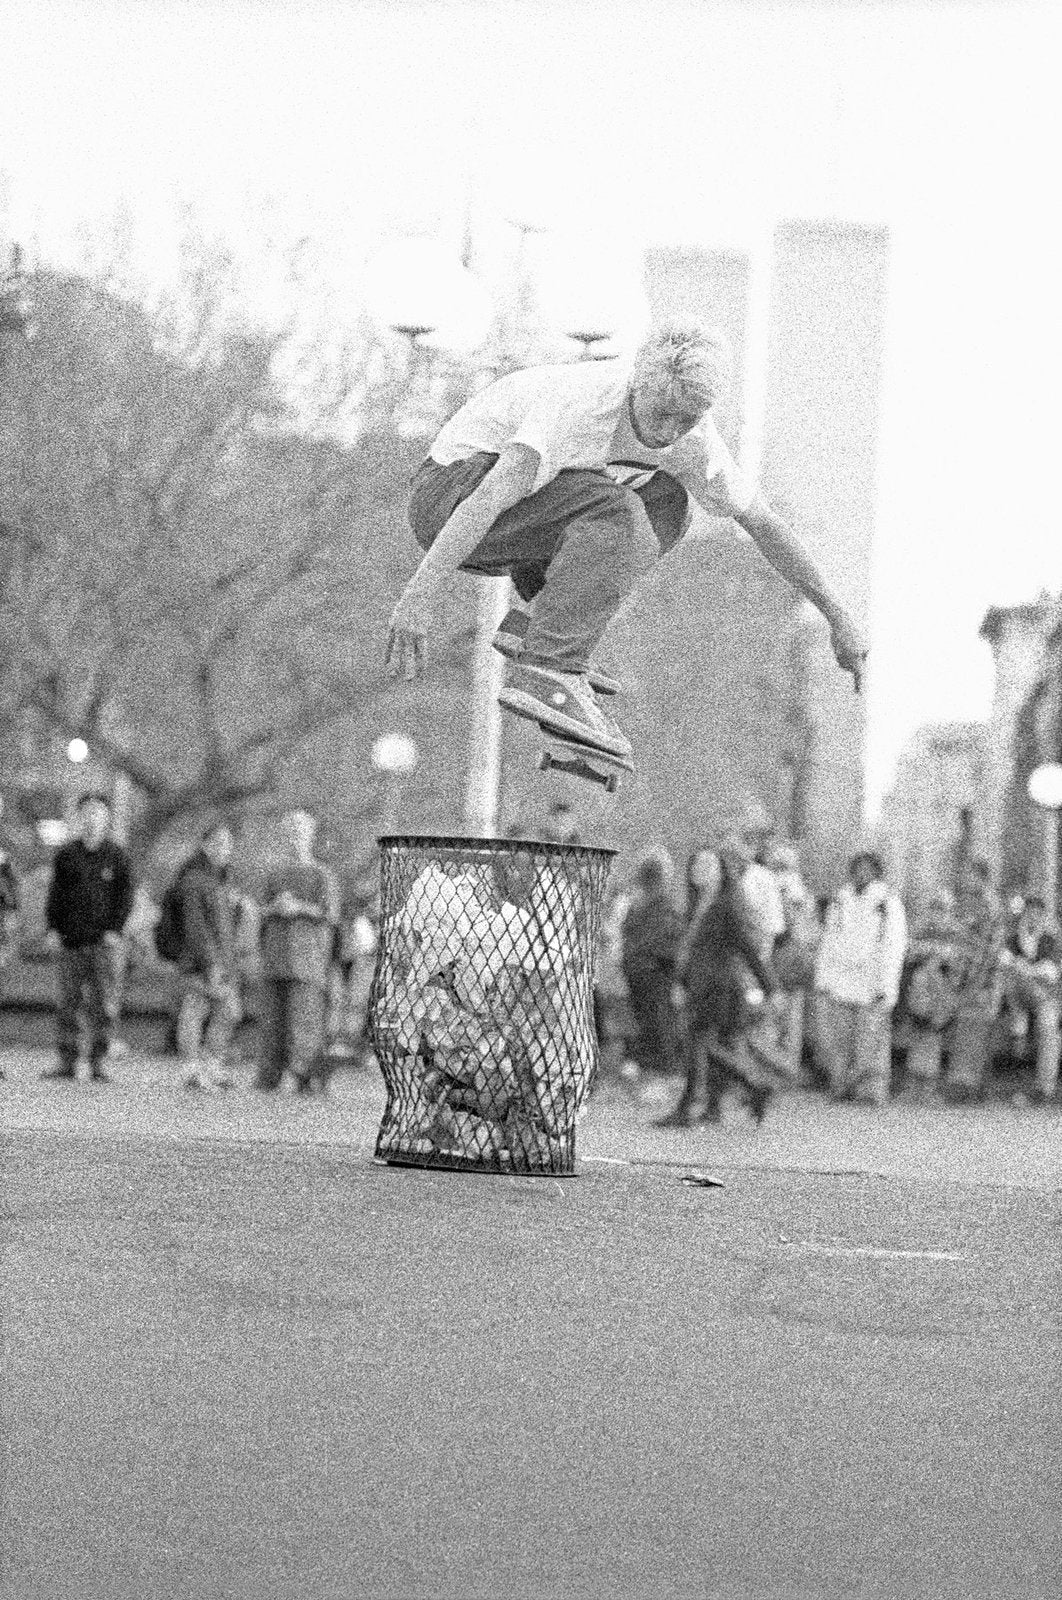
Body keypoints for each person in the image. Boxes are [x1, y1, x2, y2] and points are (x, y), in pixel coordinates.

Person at [385, 319, 867, 761]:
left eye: (686, 420)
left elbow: (764, 524)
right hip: (449, 495)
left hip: (519, 522)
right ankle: (551, 662)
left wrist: (837, 616)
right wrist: (419, 597)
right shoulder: (582, 405)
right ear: (637, 382)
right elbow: (487, 499)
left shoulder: (695, 443)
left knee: (668, 501)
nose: (667, 434)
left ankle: (538, 624)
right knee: (617, 509)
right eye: (660, 414)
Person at [656, 835, 782, 1128]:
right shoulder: (699, 905)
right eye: (696, 865)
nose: (700, 870)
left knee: (698, 1045)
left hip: (720, 986)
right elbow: (688, 952)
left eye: (708, 865)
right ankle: (733, 1097)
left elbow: (747, 947)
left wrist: (769, 986)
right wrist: (680, 981)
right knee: (708, 1047)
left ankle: (694, 1105)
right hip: (701, 985)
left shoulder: (726, 905)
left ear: (721, 870)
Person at [42, 793, 134, 1083]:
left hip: (103, 944)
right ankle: (67, 1060)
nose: (92, 818)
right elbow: (56, 895)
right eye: (87, 812)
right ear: (79, 816)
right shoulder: (67, 855)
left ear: (107, 818)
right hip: (71, 941)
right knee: (67, 1002)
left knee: (104, 1004)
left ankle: (98, 1060)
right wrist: (54, 928)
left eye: (98, 812)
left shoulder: (117, 857)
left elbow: (125, 897)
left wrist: (115, 929)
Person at [255, 809, 340, 1095]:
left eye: (300, 831)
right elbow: (260, 911)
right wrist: (275, 908)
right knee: (272, 1021)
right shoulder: (274, 874)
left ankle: (298, 1073)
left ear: (311, 835)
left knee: (303, 1022)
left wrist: (300, 908)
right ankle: (269, 1073)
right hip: (274, 957)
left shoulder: (322, 874)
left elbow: (331, 914)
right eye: (290, 832)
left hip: (307, 960)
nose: (295, 838)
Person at [813, 851, 908, 1106]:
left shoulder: (887, 902)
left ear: (876, 872)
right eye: (857, 868)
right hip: (842, 979)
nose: (861, 874)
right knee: (841, 1039)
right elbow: (829, 940)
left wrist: (887, 984)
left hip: (872, 979)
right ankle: (841, 1085)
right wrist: (824, 978)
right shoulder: (840, 900)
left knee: (872, 1040)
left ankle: (871, 1090)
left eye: (867, 869)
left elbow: (894, 945)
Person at [175, 822, 242, 1091]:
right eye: (218, 843)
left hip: (222, 958)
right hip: (202, 960)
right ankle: (192, 1067)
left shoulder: (221, 879)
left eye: (228, 844)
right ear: (205, 845)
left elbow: (226, 923)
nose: (224, 849)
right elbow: (195, 925)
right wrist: (210, 962)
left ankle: (210, 1065)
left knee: (224, 1011)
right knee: (197, 1009)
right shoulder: (194, 880)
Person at [619, 850, 683, 1079]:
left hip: (636, 968)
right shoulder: (662, 902)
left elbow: (628, 933)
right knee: (660, 1016)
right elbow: (669, 936)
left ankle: (645, 1062)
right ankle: (664, 1065)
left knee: (644, 1016)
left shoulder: (637, 902)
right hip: (654, 968)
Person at [998, 894, 1059, 1105]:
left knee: (1048, 1026)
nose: (1032, 918)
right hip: (1018, 997)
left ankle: (1045, 1087)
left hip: (1044, 997)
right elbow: (1004, 960)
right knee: (1017, 1027)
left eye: (1037, 914)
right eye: (1029, 913)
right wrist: (1021, 967)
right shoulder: (1015, 938)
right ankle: (1017, 1085)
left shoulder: (1049, 940)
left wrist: (1026, 968)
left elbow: (1051, 972)